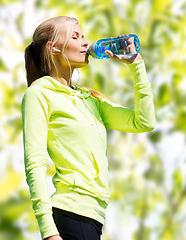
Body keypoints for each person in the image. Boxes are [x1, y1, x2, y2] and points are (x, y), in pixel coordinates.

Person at [21, 16, 155, 240]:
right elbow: (35, 163)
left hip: (93, 218)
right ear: (52, 48)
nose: (85, 43)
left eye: (83, 36)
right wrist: (49, 232)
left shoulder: (89, 98)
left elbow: (143, 121)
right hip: (70, 214)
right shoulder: (39, 94)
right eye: (75, 36)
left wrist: (137, 65)